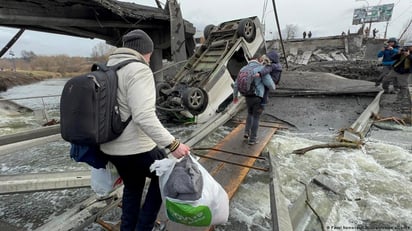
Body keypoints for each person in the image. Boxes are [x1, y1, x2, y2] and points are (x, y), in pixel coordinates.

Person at [100, 29, 190, 231]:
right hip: (135, 149)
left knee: (133, 187)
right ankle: (144, 227)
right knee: (165, 176)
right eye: (150, 54)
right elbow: (144, 116)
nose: (149, 59)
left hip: (110, 148)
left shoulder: (108, 68)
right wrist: (173, 144)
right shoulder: (138, 69)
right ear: (145, 52)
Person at [232, 54, 276, 145]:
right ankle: (253, 139)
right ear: (259, 60)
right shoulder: (260, 69)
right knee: (256, 117)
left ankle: (246, 133)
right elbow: (270, 84)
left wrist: (235, 97)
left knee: (250, 113)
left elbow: (236, 84)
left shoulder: (243, 69)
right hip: (257, 96)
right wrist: (274, 87)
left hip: (247, 96)